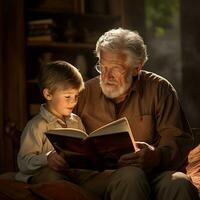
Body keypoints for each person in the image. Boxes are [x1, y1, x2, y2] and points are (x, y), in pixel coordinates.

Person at [74, 28, 200, 199]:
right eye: (102, 67)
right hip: (102, 176)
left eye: (115, 68)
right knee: (131, 176)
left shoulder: (160, 89)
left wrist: (156, 156)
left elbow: (178, 139)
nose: (106, 76)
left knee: (180, 183)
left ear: (136, 68)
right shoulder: (84, 92)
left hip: (154, 172)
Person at [15, 60, 85, 183]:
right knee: (54, 178)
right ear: (48, 94)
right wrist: (47, 158)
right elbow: (24, 163)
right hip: (45, 175)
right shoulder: (37, 126)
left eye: (76, 96)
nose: (73, 102)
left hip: (73, 173)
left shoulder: (76, 121)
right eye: (68, 96)